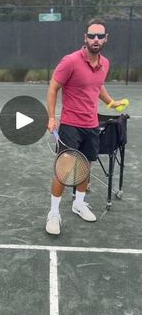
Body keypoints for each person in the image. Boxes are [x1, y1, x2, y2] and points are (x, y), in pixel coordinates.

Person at [46, 18, 125, 235]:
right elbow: (53, 87)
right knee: (64, 170)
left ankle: (78, 203)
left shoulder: (105, 63)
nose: (96, 39)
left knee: (86, 167)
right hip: (71, 125)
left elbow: (97, 85)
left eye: (100, 35)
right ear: (85, 38)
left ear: (106, 38)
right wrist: (51, 117)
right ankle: (53, 213)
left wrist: (110, 102)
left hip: (92, 126)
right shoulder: (70, 61)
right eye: (92, 35)